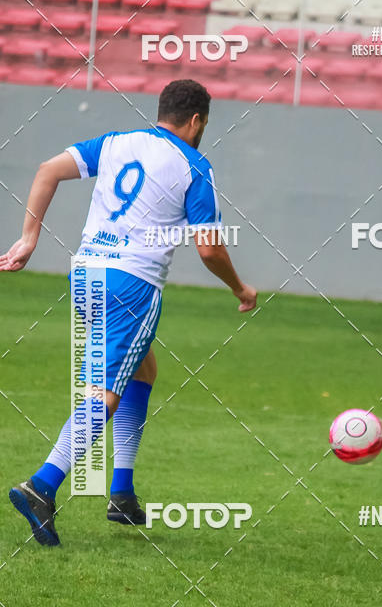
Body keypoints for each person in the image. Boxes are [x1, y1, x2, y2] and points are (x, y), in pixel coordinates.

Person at [1, 79, 256, 546]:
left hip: (86, 276)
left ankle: (121, 494)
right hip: (132, 285)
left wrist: (29, 238)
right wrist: (240, 288)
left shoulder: (116, 142)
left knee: (143, 369)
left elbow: (47, 170)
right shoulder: (194, 166)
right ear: (196, 120)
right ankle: (42, 485)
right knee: (107, 393)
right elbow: (210, 249)